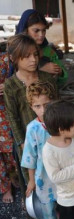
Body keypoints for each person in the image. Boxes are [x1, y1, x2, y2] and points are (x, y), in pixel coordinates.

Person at [3, 33, 58, 219]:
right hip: (27, 143)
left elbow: (56, 106)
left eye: (35, 54)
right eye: (26, 56)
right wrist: (21, 144)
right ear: (14, 58)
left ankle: (52, 209)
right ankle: (34, 215)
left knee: (52, 175)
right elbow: (12, 117)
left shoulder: (46, 78)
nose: (33, 60)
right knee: (30, 180)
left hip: (49, 137)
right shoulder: (11, 85)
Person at [21, 81, 60, 219]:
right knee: (47, 204)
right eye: (37, 106)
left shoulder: (61, 122)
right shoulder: (33, 128)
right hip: (43, 175)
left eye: (47, 104)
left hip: (63, 170)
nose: (43, 110)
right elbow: (30, 157)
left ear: (54, 101)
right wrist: (31, 181)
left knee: (63, 199)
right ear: (31, 107)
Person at [16, 9, 67, 88]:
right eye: (36, 31)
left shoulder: (48, 51)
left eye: (44, 30)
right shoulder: (16, 51)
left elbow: (64, 78)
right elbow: (14, 78)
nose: (41, 35)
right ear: (25, 30)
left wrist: (60, 72)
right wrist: (40, 69)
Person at [0, 52, 17, 203]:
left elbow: (24, 76)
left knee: (12, 150)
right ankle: (6, 188)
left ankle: (24, 186)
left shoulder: (6, 58)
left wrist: (8, 85)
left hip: (6, 111)